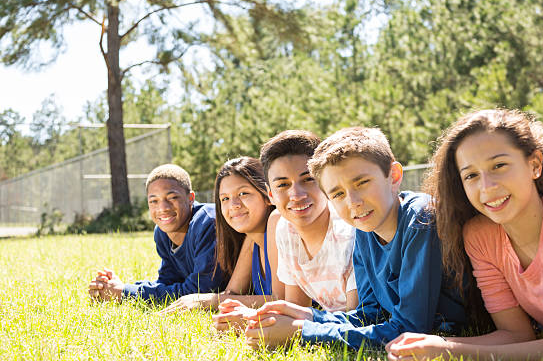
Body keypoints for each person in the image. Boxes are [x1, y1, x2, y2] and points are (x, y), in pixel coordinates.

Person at [386, 109, 543, 360]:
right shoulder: (480, 236)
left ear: (535, 164)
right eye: (471, 175)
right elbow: (516, 334)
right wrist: (435, 344)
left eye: (499, 165)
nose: (487, 187)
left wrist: (448, 352)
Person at [243, 127, 466, 349]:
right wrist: (306, 315)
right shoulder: (365, 229)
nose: (353, 202)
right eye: (338, 194)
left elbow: (410, 328)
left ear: (394, 176)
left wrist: (303, 332)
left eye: (361, 183)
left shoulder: (421, 219)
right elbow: (369, 316)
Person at [213, 130, 358, 330]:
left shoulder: (349, 232)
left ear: (326, 182)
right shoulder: (286, 230)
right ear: (271, 194)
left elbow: (359, 323)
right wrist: (254, 318)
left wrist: (292, 329)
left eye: (308, 179)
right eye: (283, 184)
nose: (296, 194)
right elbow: (293, 310)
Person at [88, 164, 226, 302]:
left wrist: (124, 293)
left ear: (190, 198)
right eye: (154, 201)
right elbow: (167, 282)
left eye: (172, 197)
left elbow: (202, 291)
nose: (163, 208)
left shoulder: (207, 222)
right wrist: (117, 287)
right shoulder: (161, 232)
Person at [160, 157, 282, 314]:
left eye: (243, 193)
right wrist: (198, 300)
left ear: (267, 195)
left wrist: (208, 300)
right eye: (225, 198)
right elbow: (232, 293)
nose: (233, 205)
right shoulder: (252, 240)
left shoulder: (279, 227)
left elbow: (282, 301)